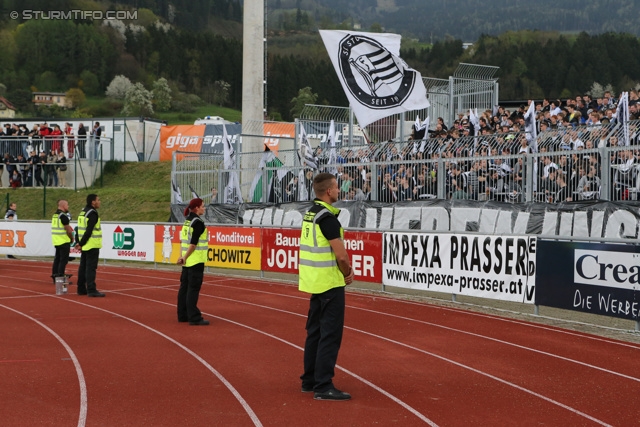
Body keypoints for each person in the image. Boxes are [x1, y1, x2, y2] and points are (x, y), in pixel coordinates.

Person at [299, 172, 354, 401]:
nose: (339, 191)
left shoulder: (311, 213)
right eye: (337, 188)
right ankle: (323, 386)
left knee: (314, 333)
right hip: (330, 283)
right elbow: (341, 256)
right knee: (329, 335)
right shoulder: (328, 218)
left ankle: (309, 380)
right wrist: (347, 273)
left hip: (314, 282)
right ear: (329, 191)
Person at [176, 198, 210, 325]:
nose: (204, 208)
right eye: (203, 206)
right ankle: (194, 317)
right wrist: (184, 257)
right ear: (196, 208)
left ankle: (182, 314)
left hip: (187, 261)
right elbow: (193, 244)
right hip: (195, 261)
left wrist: (182, 256)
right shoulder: (198, 223)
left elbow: (182, 241)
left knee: (184, 288)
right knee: (193, 289)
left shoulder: (187, 222)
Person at [75, 194, 105, 297]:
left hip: (85, 245)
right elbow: (88, 231)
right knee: (90, 268)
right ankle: (91, 289)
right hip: (92, 244)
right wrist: (81, 243)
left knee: (83, 267)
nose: (99, 202)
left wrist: (78, 242)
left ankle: (81, 288)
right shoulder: (92, 213)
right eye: (98, 200)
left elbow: (78, 229)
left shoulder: (83, 212)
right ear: (93, 202)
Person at [51, 199, 74, 284]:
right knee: (63, 261)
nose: (68, 207)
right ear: (63, 206)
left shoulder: (55, 215)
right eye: (67, 205)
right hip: (64, 241)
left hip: (56, 241)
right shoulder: (63, 216)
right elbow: (68, 230)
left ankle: (55, 277)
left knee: (57, 260)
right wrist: (71, 238)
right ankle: (61, 279)